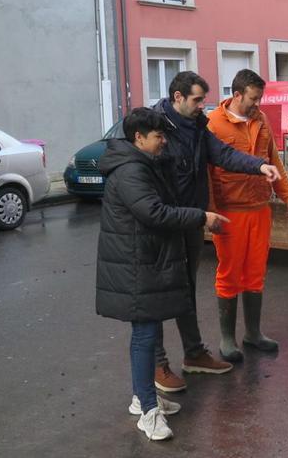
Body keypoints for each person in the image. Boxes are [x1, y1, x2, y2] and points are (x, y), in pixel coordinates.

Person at [95, 107, 230, 440]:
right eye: (158, 137)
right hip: (136, 265)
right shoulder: (130, 171)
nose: (163, 142)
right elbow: (153, 212)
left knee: (148, 331)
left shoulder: (143, 164)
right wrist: (201, 217)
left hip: (143, 260)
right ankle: (148, 413)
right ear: (138, 138)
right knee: (144, 335)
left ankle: (142, 397)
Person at [151, 71, 281, 392]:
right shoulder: (155, 128)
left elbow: (223, 154)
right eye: (197, 100)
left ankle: (194, 354)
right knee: (154, 295)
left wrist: (257, 165)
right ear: (178, 97)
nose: (202, 106)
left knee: (187, 289)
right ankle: (156, 365)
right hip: (164, 222)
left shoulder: (197, 126)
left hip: (192, 219)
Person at [206, 69, 288, 361]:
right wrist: (208, 213)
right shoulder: (213, 124)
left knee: (255, 273)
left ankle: (253, 333)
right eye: (254, 98)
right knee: (229, 273)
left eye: (260, 98)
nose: (258, 104)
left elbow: (273, 160)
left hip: (259, 208)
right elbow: (206, 172)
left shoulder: (261, 120)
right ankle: (227, 339)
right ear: (236, 95)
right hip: (229, 210)